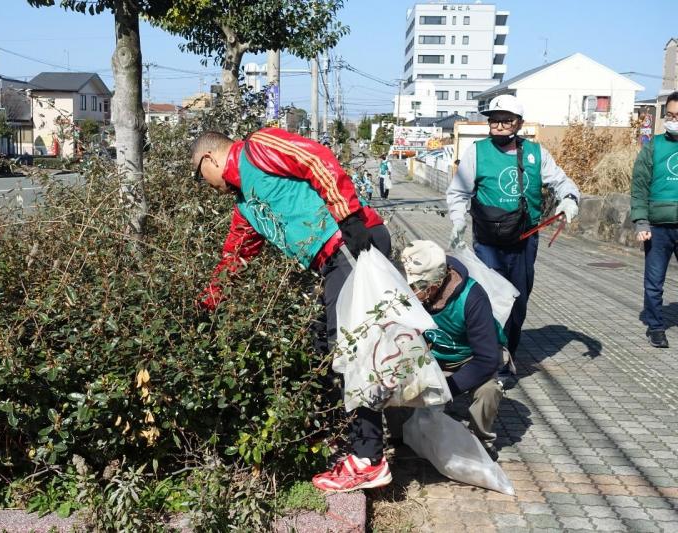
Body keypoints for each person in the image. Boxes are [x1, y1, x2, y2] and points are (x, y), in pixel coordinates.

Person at [191, 128, 393, 492]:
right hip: (332, 262)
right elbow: (234, 257)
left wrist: (348, 218)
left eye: (199, 175)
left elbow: (315, 159)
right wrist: (208, 303)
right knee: (323, 348)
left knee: (352, 349)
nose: (204, 185)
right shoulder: (247, 207)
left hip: (349, 244)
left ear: (209, 159)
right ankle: (352, 440)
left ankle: (368, 460)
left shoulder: (257, 148)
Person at [447, 94, 580, 378]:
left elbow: (561, 181)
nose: (499, 125)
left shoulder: (535, 153)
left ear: (519, 123)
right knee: (492, 299)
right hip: (487, 241)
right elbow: (458, 192)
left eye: (506, 120)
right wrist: (458, 222)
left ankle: (510, 353)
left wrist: (569, 198)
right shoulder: (476, 152)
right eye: (494, 120)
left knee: (517, 301)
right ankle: (493, 361)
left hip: (524, 240)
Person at [402, 241, 506, 460]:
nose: (411, 292)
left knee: (489, 390)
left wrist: (447, 389)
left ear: (436, 283)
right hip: (431, 356)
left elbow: (487, 359)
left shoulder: (472, 297)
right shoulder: (409, 295)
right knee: (396, 379)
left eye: (417, 287)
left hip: (469, 358)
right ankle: (401, 437)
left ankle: (482, 441)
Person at [630, 91, 678, 348]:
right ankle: (656, 326)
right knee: (654, 280)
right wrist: (641, 221)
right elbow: (639, 186)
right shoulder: (654, 147)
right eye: (670, 115)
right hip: (658, 227)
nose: (673, 120)